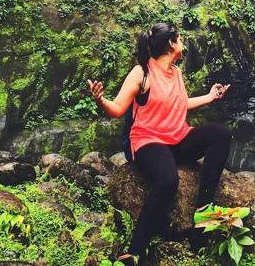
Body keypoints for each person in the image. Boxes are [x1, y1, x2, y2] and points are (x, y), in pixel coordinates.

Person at [87, 22, 233, 265]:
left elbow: (180, 104)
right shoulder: (142, 72)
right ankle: (134, 251)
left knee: (221, 134)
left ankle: (203, 210)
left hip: (177, 138)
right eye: (180, 39)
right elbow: (117, 109)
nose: (183, 43)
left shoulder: (175, 72)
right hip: (148, 141)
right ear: (171, 44)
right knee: (168, 180)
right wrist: (101, 100)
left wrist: (210, 97)